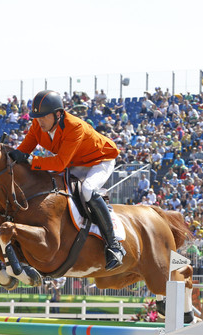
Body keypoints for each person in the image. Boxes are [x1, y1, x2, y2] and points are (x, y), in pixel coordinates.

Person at [8, 90, 125, 270]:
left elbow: (60, 163)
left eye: (43, 117)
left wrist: (31, 160)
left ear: (58, 114)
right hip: (76, 162)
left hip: (100, 160)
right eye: (36, 117)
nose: (39, 121)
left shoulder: (74, 126)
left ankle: (114, 246)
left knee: (87, 191)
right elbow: (24, 149)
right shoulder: (38, 125)